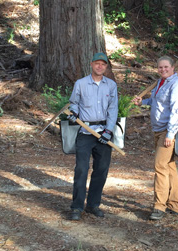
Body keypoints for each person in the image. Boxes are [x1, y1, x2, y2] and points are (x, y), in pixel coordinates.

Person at [132, 56, 178, 220]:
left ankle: (159, 207)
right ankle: (175, 205)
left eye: (166, 67)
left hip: (167, 131)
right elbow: (157, 102)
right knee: (169, 167)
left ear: (173, 67)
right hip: (158, 130)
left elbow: (177, 111)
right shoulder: (161, 83)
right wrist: (143, 102)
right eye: (160, 67)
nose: (163, 70)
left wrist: (170, 134)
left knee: (160, 166)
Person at [67, 52, 118, 220]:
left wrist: (108, 131)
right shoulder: (81, 84)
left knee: (101, 170)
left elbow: (113, 109)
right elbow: (74, 103)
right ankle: (76, 207)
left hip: (104, 133)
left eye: (103, 64)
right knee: (81, 169)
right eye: (97, 63)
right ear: (91, 64)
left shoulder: (110, 85)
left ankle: (93, 205)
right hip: (85, 132)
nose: (100, 66)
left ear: (106, 67)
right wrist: (73, 113)